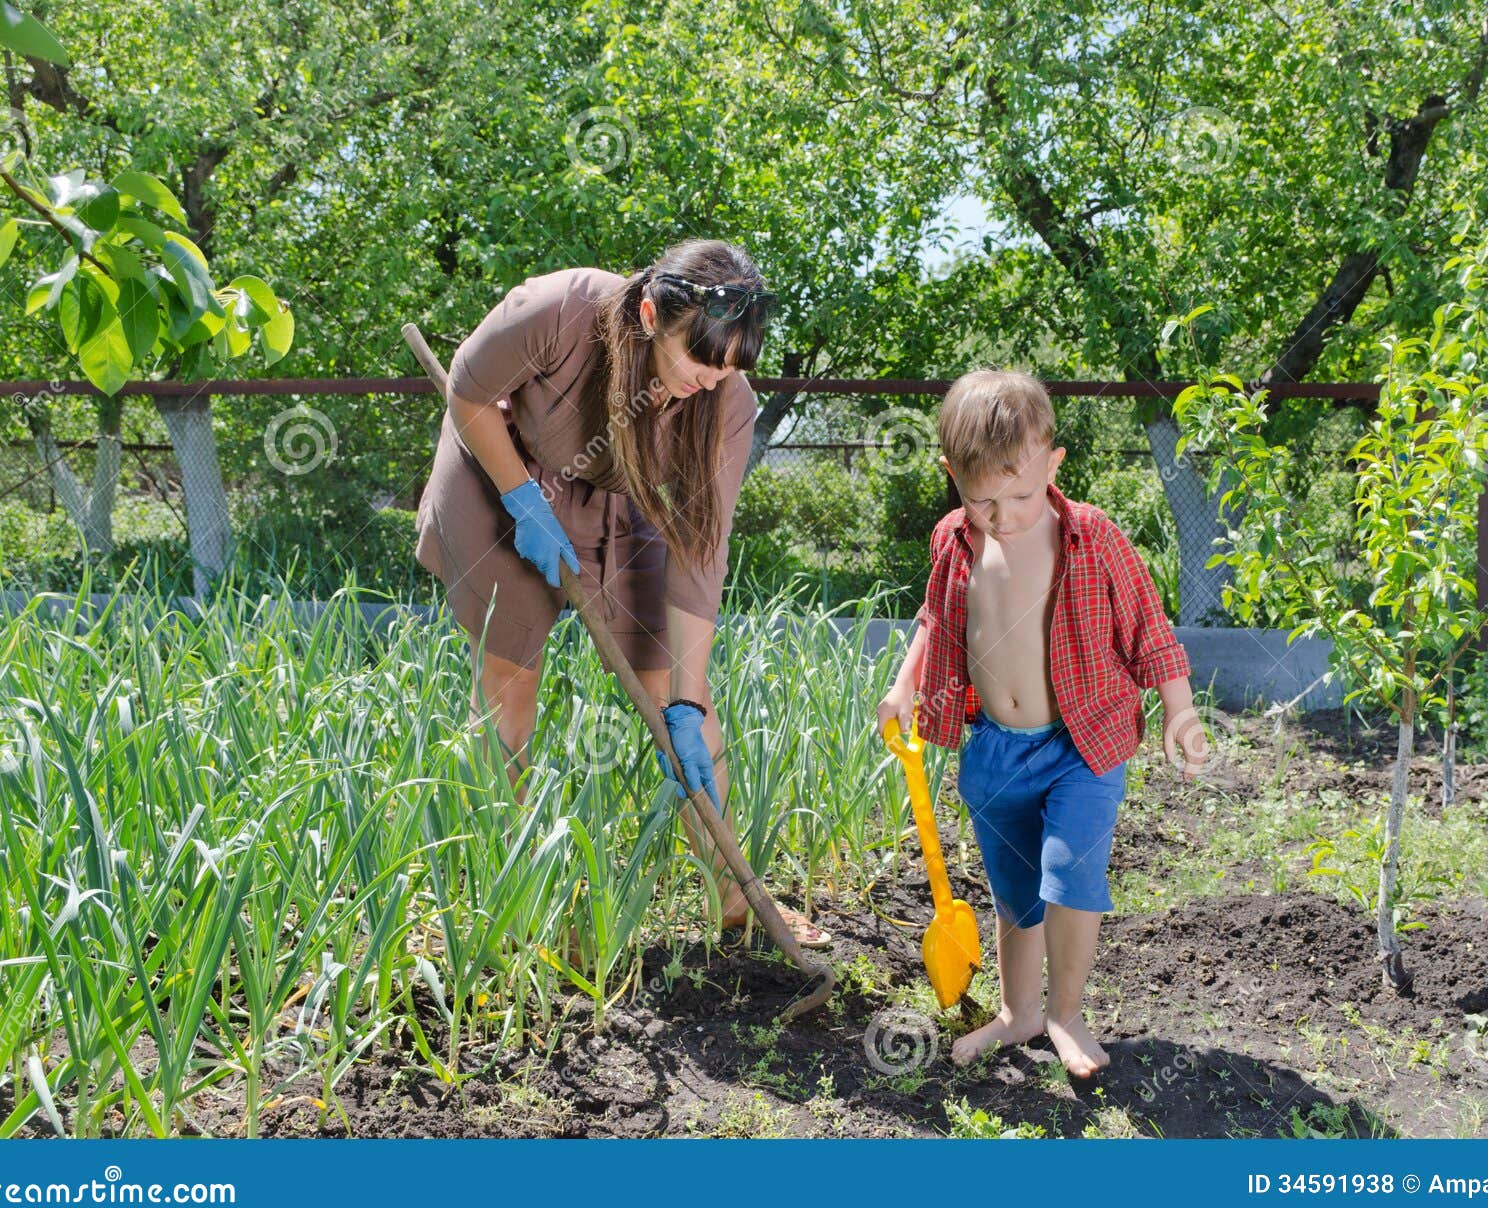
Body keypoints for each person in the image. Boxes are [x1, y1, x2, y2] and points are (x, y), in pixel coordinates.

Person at [416, 238, 829, 946]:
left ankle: (731, 895)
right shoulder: (560, 308)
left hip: (622, 486)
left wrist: (687, 702)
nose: (713, 378)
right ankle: (508, 894)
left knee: (677, 689)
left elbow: (701, 551)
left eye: (730, 365)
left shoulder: (724, 401)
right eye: (699, 359)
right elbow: (470, 389)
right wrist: (522, 500)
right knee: (510, 677)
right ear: (648, 314)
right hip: (503, 468)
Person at [877, 369, 1207, 1075]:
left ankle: (1065, 1013)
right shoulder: (954, 540)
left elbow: (1149, 629)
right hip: (995, 752)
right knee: (1016, 893)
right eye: (982, 499)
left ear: (1054, 464)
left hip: (1082, 745)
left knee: (1071, 875)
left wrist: (1179, 707)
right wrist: (904, 686)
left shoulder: (1092, 537)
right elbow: (935, 621)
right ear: (952, 476)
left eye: (1021, 494)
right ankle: (1018, 1011)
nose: (1004, 515)